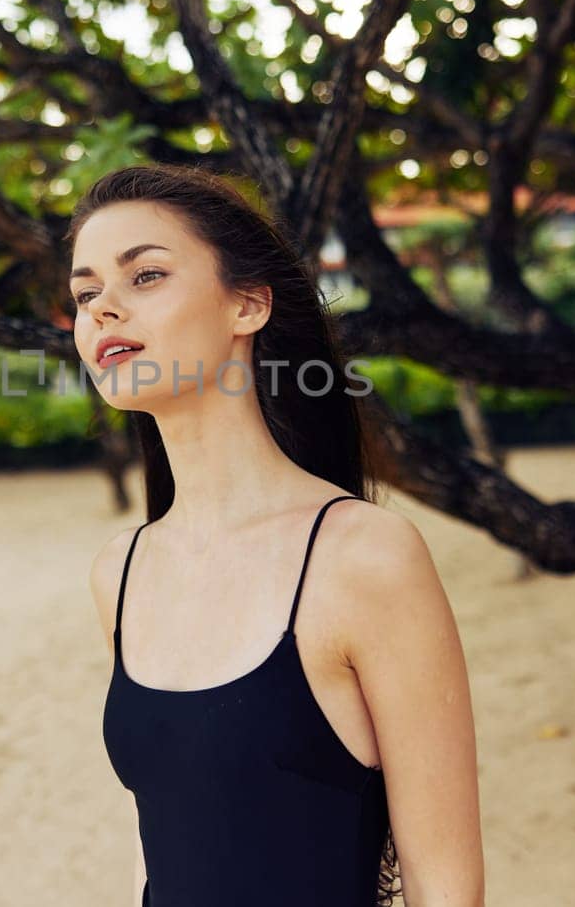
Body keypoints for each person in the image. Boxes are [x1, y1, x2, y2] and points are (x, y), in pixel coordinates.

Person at [71, 164, 484, 906]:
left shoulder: (363, 557)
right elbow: (154, 849)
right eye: (85, 291)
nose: (103, 308)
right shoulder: (121, 571)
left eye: (146, 275)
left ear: (248, 304)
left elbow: (444, 886)